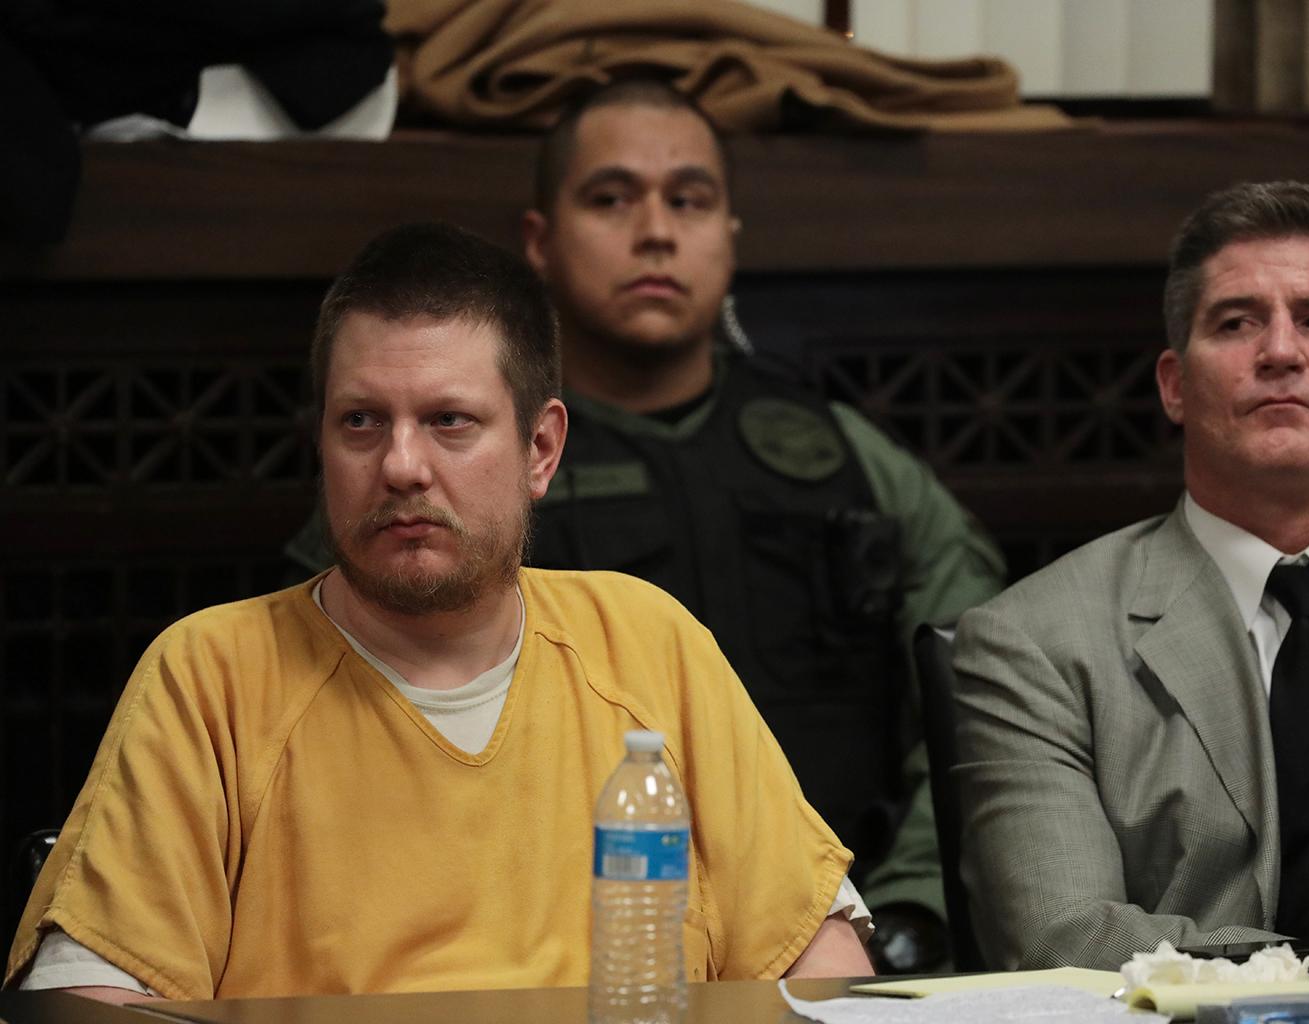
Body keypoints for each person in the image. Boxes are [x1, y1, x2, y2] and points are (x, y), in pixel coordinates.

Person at [5, 222, 873, 1002]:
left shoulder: (649, 641)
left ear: (541, 448)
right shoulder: (213, 675)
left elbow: (819, 951)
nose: (402, 466)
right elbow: (88, 1000)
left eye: (450, 421)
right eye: (361, 422)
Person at [285, 78, 1006, 971]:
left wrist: (908, 909)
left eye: (689, 200)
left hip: (839, 939)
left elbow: (982, 702)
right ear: (541, 241)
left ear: (729, 239)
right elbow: (320, 717)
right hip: (558, 957)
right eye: (612, 197)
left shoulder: (850, 456)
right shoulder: (438, 476)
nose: (656, 230)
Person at [953, 181, 1309, 971]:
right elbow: (1060, 939)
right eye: (1237, 323)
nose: (1278, 351)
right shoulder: (1034, 641)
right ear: (1174, 384)